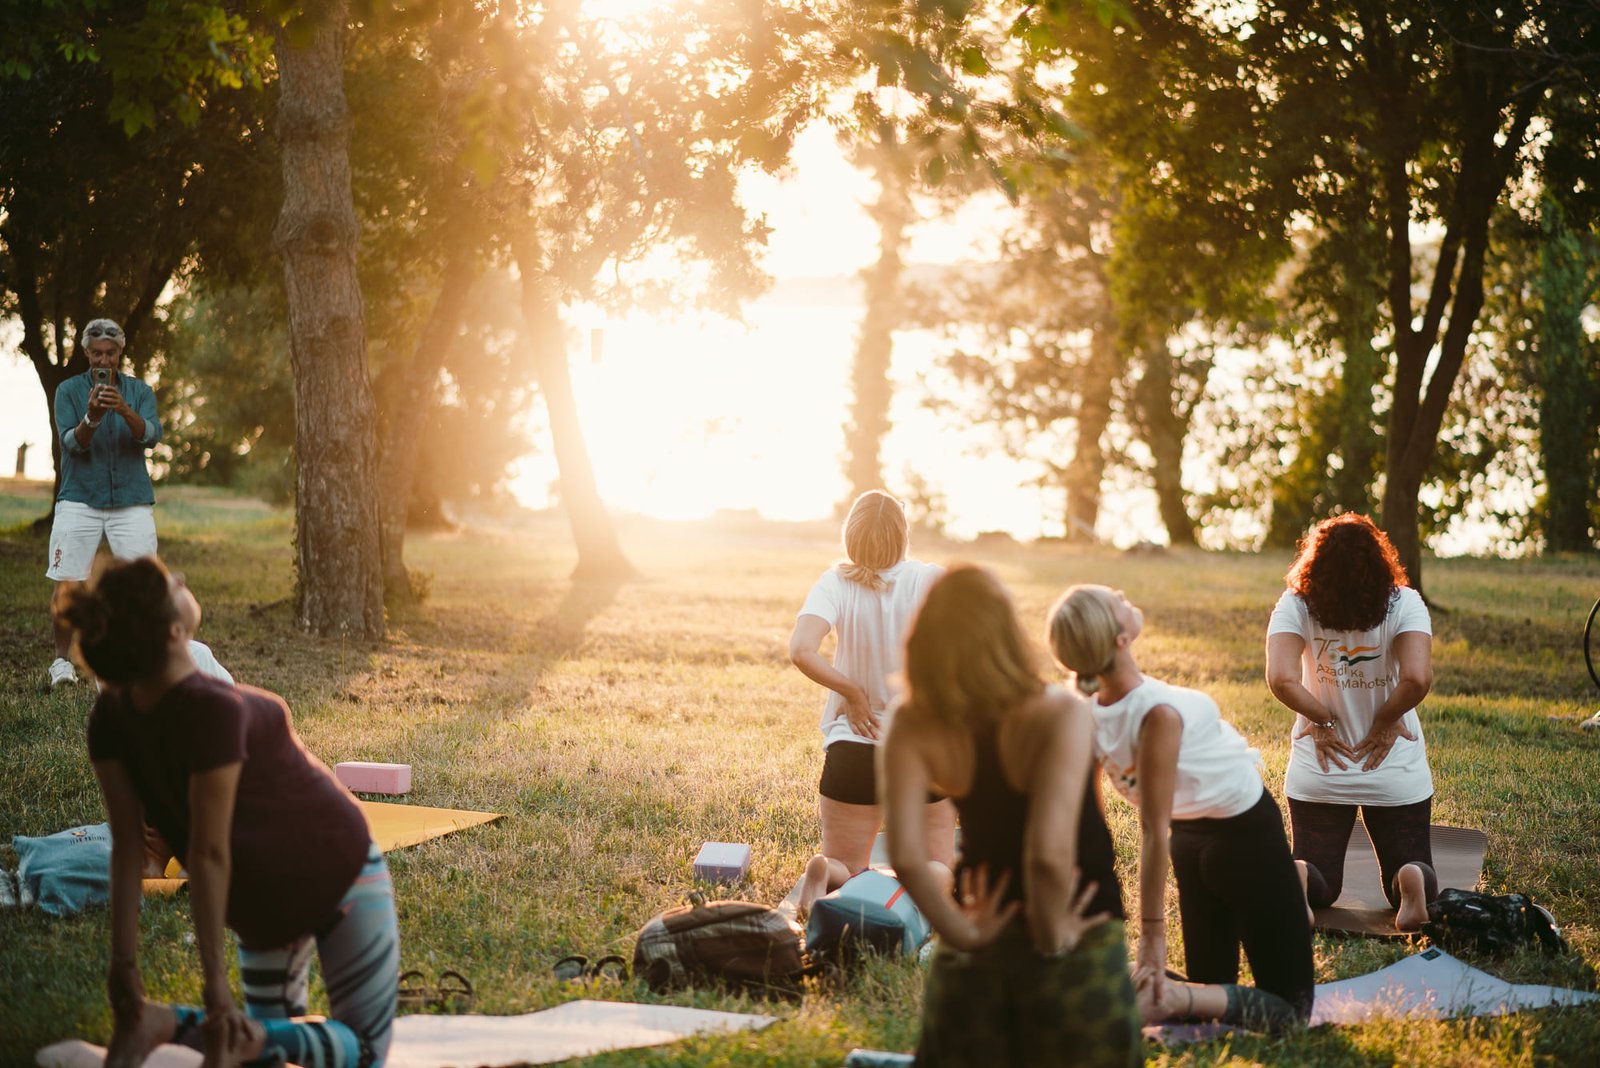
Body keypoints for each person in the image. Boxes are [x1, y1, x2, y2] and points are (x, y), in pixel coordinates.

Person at [61, 556, 398, 1068]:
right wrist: (214, 984)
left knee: (256, 1040)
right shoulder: (213, 709)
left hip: (260, 899)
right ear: (174, 632)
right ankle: (195, 1027)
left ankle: (166, 1022)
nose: (181, 577)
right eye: (171, 582)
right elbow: (208, 851)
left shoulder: (109, 717)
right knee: (362, 1048)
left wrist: (124, 967)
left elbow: (128, 847)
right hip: (343, 871)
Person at [882, 565, 1139, 1066]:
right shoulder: (1059, 711)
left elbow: (906, 856)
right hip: (1077, 923)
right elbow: (1046, 855)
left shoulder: (910, 721)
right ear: (1006, 631)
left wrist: (959, 933)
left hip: (983, 916)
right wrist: (1052, 938)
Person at [1050, 584, 1314, 1032]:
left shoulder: (1089, 712)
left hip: (1192, 849)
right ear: (1119, 639)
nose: (1122, 593)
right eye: (1118, 601)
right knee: (1291, 1013)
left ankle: (1147, 990)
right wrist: (1151, 938)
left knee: (1208, 992)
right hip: (1246, 841)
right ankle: (1165, 993)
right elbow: (1151, 831)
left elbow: (1090, 824)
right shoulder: (1159, 713)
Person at [1266, 512, 1437, 932]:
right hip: (1393, 762)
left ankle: (1301, 875)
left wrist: (1322, 722)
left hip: (1321, 766)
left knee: (1322, 879)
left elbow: (1280, 678)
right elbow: (1416, 678)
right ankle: (1409, 882)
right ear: (1380, 559)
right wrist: (1383, 722)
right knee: (1409, 864)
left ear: (1314, 562)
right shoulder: (1405, 602)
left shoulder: (1295, 603)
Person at [788, 490, 954, 914]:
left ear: (851, 535)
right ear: (903, 534)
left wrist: (852, 693)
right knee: (937, 864)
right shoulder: (932, 579)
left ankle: (828, 872)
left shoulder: (835, 582)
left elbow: (801, 650)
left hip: (854, 747)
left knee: (847, 863)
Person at [46, 318, 163, 689]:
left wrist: (126, 411)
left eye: (110, 353)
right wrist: (92, 417)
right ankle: (62, 663)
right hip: (80, 497)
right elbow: (72, 444)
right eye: (97, 353)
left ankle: (140, 655)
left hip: (131, 499)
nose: (104, 360)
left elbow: (152, 437)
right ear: (86, 352)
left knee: (143, 582)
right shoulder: (67, 391)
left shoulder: (140, 391)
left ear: (120, 353)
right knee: (69, 581)